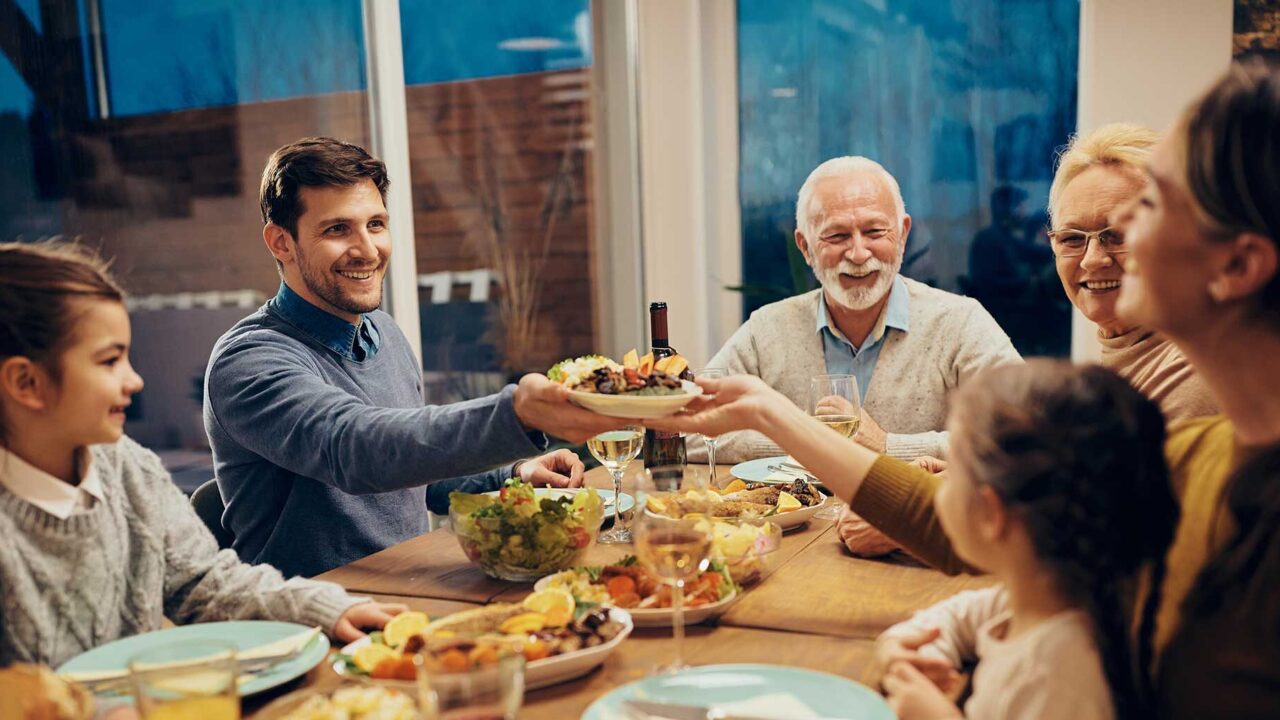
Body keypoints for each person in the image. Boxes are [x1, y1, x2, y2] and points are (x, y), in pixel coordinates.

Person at [649, 64, 1280, 720]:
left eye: (1143, 214)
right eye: (1071, 236)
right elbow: (1069, 573)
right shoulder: (1198, 442)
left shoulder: (1202, 438)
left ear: (1237, 264)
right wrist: (955, 623)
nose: (1096, 257)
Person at [204, 137, 628, 577]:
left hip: (406, 584)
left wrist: (514, 475)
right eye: (337, 229)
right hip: (316, 607)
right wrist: (517, 414)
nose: (368, 250)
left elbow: (410, 464)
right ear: (281, 242)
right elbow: (356, 450)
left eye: (375, 224)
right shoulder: (249, 361)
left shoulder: (382, 331)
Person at [0, 242, 403, 669]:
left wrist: (324, 608)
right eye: (109, 361)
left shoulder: (128, 469)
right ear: (26, 383)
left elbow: (203, 581)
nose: (134, 381)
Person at [700, 156, 1020, 557]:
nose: (857, 252)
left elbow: (1024, 439)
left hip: (912, 555)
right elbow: (689, 432)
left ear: (903, 234)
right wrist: (804, 439)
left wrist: (887, 445)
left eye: (874, 231)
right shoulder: (768, 326)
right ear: (805, 246)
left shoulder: (960, 322)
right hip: (790, 556)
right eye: (836, 236)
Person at [873, 361, 1175, 719]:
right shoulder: (1042, 600)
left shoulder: (1057, 675)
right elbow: (957, 617)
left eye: (951, 474)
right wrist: (903, 648)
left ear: (990, 515)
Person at [1047, 123, 1217, 422]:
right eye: (1072, 238)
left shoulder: (1192, 373)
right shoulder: (1124, 356)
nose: (1092, 260)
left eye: (1119, 235)